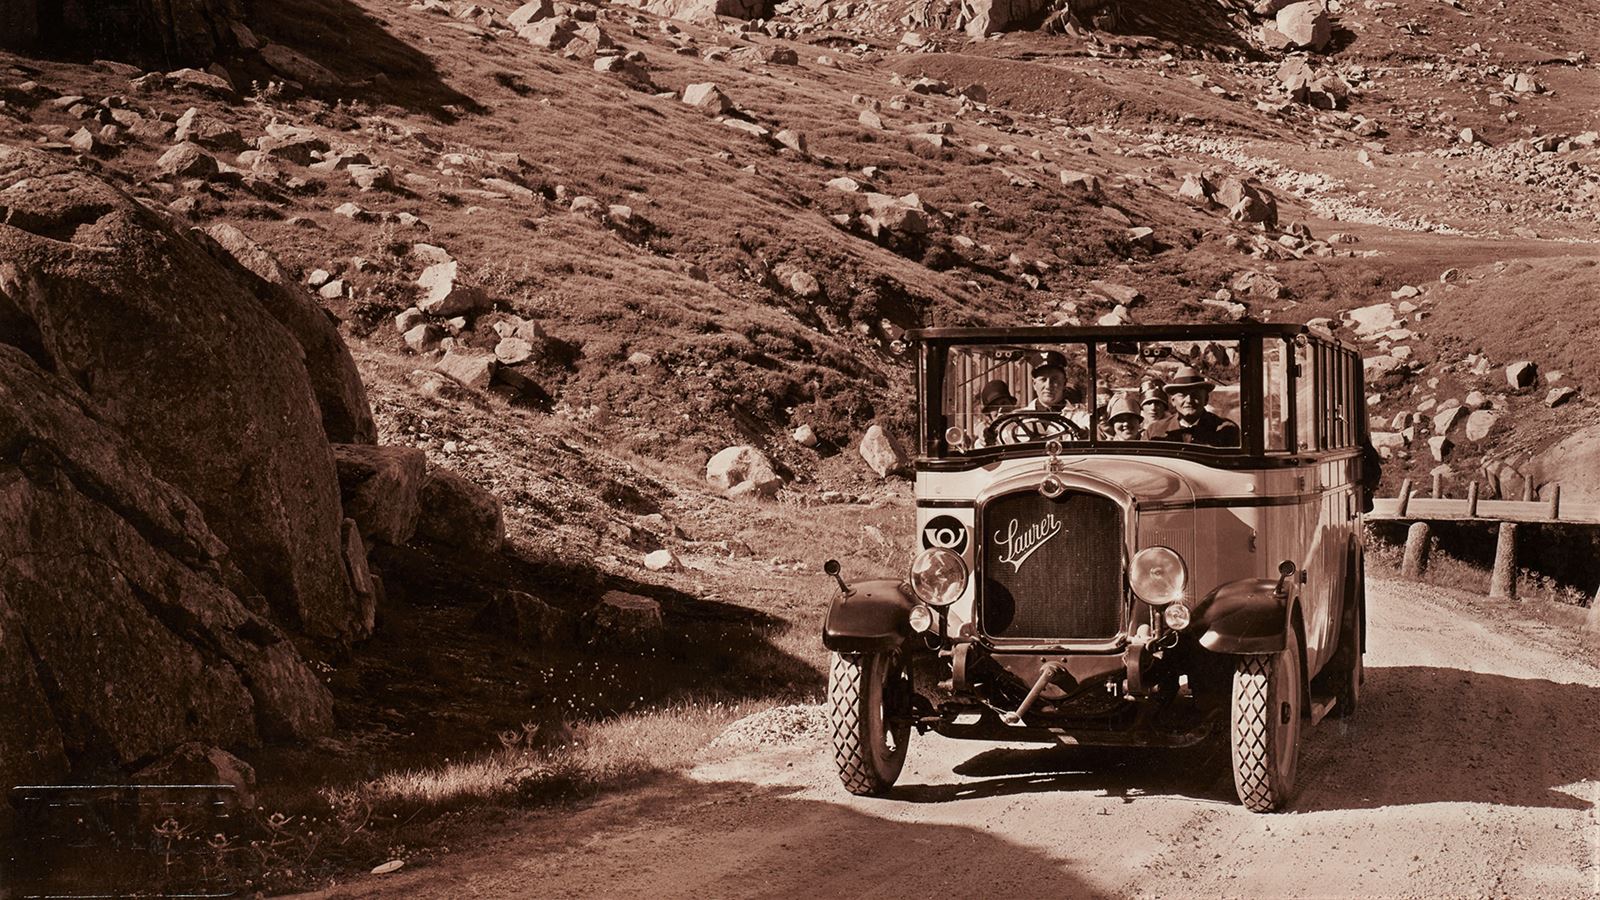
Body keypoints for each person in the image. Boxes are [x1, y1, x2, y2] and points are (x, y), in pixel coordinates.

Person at [1160, 366, 1240, 447]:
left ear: (1206, 399)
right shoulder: (1156, 431)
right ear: (1173, 401)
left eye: (1195, 395)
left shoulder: (1226, 430)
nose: (1189, 400)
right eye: (1182, 395)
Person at [1020, 351, 1091, 431]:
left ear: (1064, 383)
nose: (1048, 386)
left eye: (1054, 380)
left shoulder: (1081, 416)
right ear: (1034, 384)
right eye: (1043, 380)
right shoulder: (1018, 418)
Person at [972, 379, 1017, 448]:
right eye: (994, 406)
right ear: (989, 414)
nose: (1001, 409)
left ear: (1011, 404)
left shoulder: (1026, 427)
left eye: (1004, 403)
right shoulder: (983, 443)